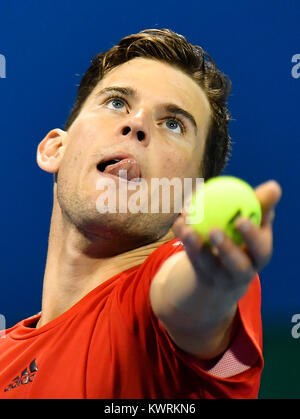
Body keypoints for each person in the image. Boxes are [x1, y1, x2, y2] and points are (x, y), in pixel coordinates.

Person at [0, 29, 281, 399]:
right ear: (56, 149)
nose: (137, 124)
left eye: (174, 124)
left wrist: (211, 287)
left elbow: (184, 305)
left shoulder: (197, 274)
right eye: (117, 102)